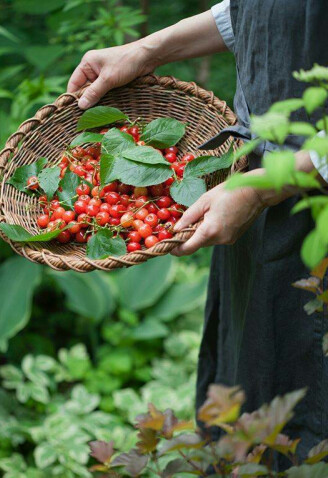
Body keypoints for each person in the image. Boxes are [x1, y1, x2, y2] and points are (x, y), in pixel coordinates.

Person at [67, 0, 328, 466]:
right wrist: (145, 50)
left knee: (307, 408)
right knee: (249, 385)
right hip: (255, 197)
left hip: (313, 219)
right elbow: (265, 14)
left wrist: (266, 188)